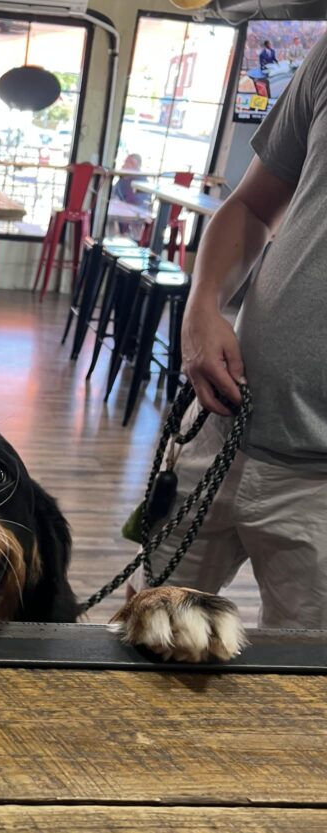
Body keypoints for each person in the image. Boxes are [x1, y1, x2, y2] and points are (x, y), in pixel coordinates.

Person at [143, 32, 327, 629]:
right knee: (150, 628)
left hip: (318, 487)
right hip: (218, 425)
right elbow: (250, 207)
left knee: (303, 683)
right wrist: (202, 306)